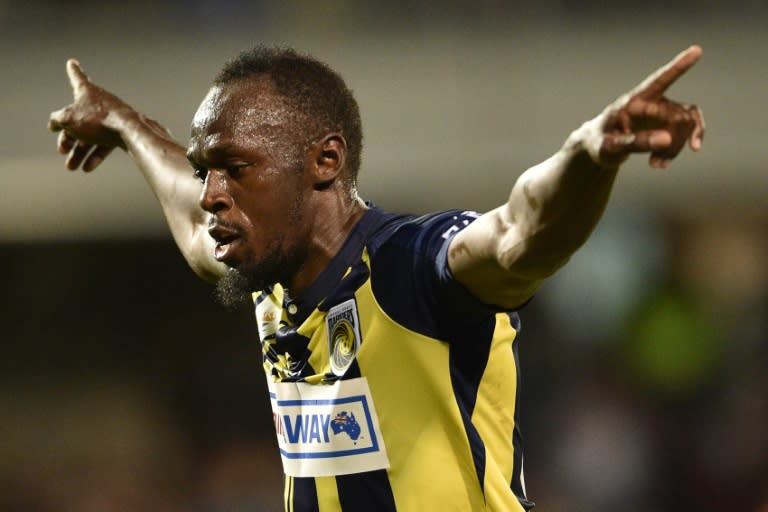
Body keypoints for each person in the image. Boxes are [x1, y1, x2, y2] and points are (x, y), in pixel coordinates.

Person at [47, 45, 704, 511]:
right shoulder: (271, 276)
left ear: (325, 161)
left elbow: (518, 232)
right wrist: (125, 124)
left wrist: (590, 153)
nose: (212, 193)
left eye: (235, 168)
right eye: (204, 171)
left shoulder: (410, 267)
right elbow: (195, 227)